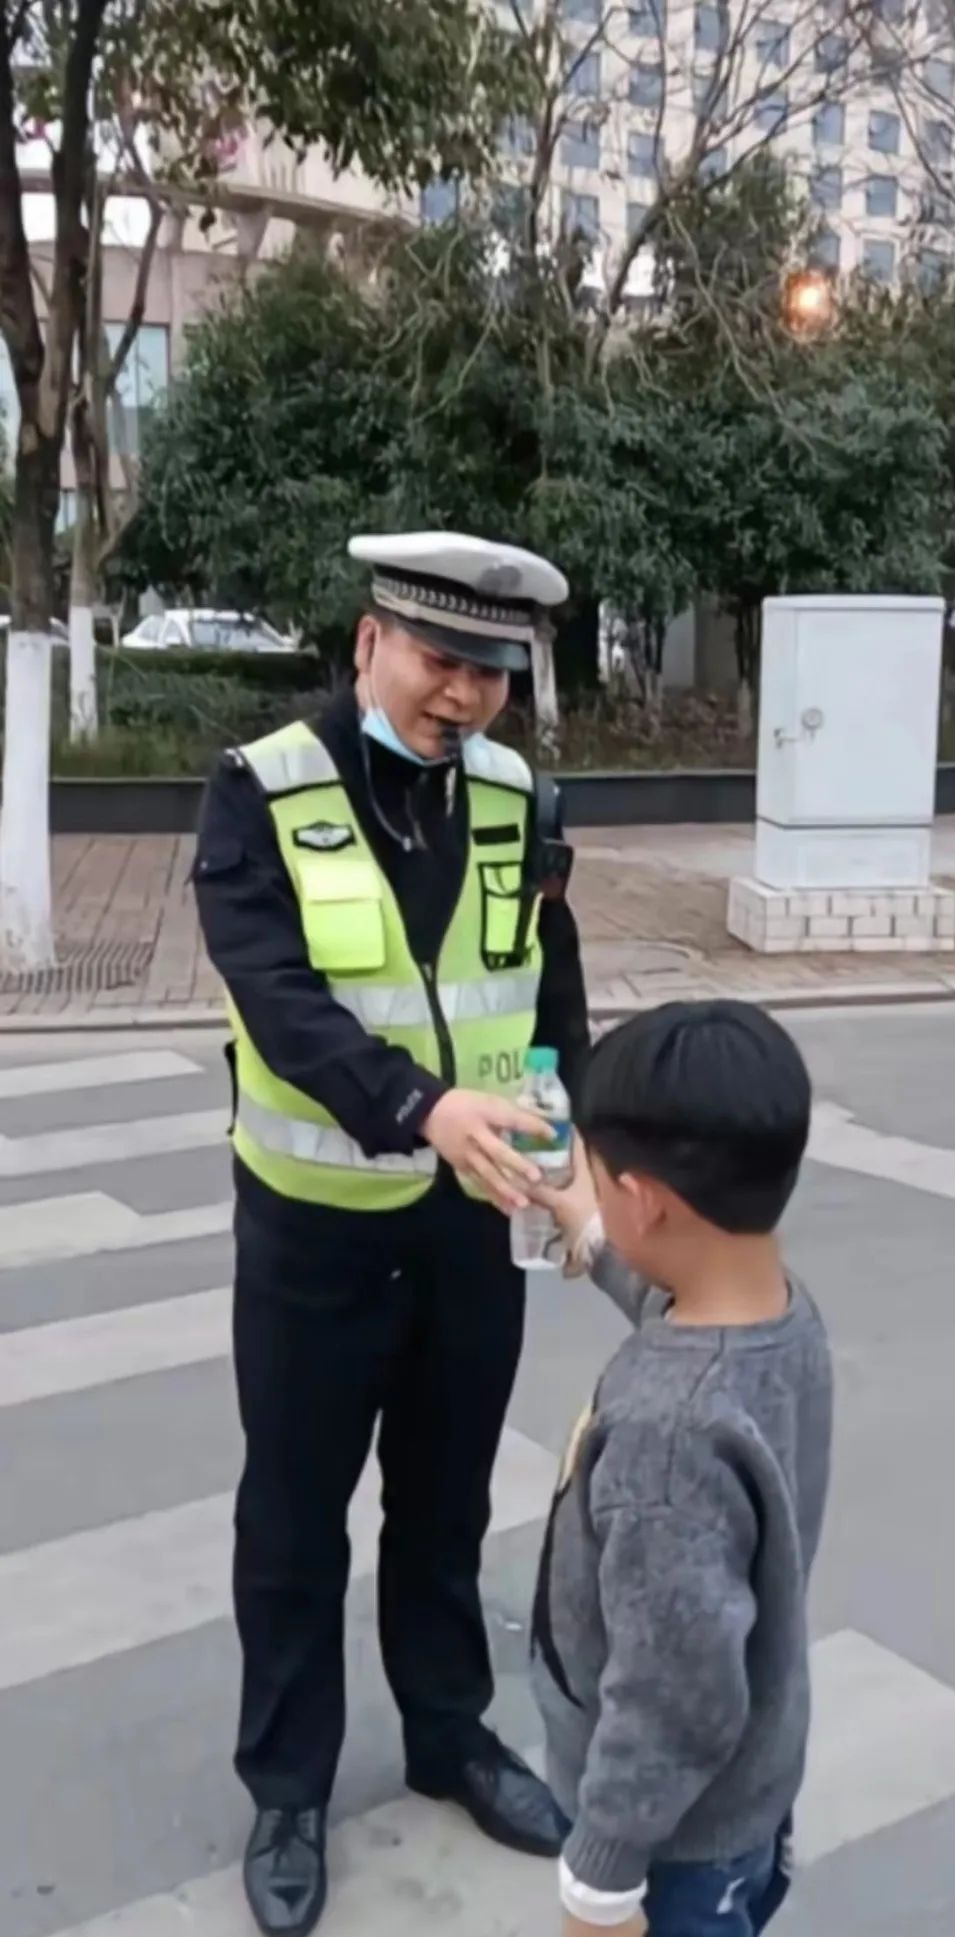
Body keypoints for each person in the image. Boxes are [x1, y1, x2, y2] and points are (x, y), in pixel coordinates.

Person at [192, 531, 590, 1936]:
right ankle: (287, 1786)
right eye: (438, 658)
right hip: (316, 1233)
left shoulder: (520, 797)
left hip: (476, 1232)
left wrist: (573, 1144)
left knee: (446, 1501)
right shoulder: (259, 790)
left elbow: (547, 987)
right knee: (295, 1518)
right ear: (370, 643)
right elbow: (280, 999)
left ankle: (448, 1733)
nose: (464, 694)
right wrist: (422, 1107)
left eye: (490, 669)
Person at [528, 999, 833, 1937]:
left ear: (647, 1198)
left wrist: (601, 1886)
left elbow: (671, 1699)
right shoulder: (779, 1311)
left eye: (599, 1179)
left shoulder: (668, 1436)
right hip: (746, 1793)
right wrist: (589, 1229)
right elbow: (676, 1297)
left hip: (673, 1851)